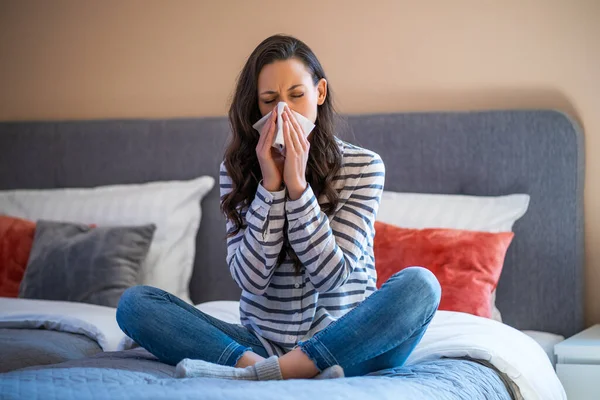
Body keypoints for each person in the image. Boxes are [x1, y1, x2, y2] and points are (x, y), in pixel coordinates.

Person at [116, 34, 441, 381]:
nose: (283, 111)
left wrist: (298, 188)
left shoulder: (363, 167)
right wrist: (270, 186)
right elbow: (250, 280)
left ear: (319, 93)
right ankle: (262, 369)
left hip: (346, 344)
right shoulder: (238, 170)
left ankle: (271, 372)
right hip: (260, 344)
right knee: (135, 304)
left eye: (296, 96)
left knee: (421, 285)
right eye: (269, 100)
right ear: (255, 107)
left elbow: (332, 276)